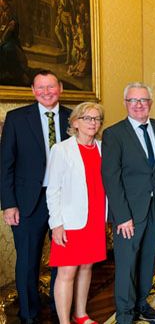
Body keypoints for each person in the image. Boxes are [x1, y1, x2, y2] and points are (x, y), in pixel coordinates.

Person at [1, 70, 71, 323]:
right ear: (32, 90)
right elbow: (5, 164)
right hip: (28, 202)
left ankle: (58, 305)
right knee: (28, 260)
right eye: (40, 88)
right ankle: (28, 313)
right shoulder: (17, 118)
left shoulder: (73, 117)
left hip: (64, 201)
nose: (46, 92)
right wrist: (9, 204)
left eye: (50, 87)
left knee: (63, 258)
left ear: (60, 88)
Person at [101, 82, 155, 323]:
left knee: (148, 260)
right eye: (133, 100)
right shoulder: (114, 134)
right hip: (129, 212)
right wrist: (122, 216)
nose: (139, 105)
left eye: (143, 100)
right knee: (126, 264)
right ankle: (124, 314)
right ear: (125, 104)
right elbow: (111, 177)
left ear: (150, 103)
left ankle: (142, 303)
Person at [45, 102, 106, 324]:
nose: (93, 123)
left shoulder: (103, 147)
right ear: (75, 123)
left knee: (87, 266)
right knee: (67, 271)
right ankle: (64, 321)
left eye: (97, 118)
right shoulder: (61, 150)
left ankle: (80, 314)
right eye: (88, 118)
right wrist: (56, 224)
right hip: (70, 222)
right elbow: (53, 190)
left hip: (95, 217)